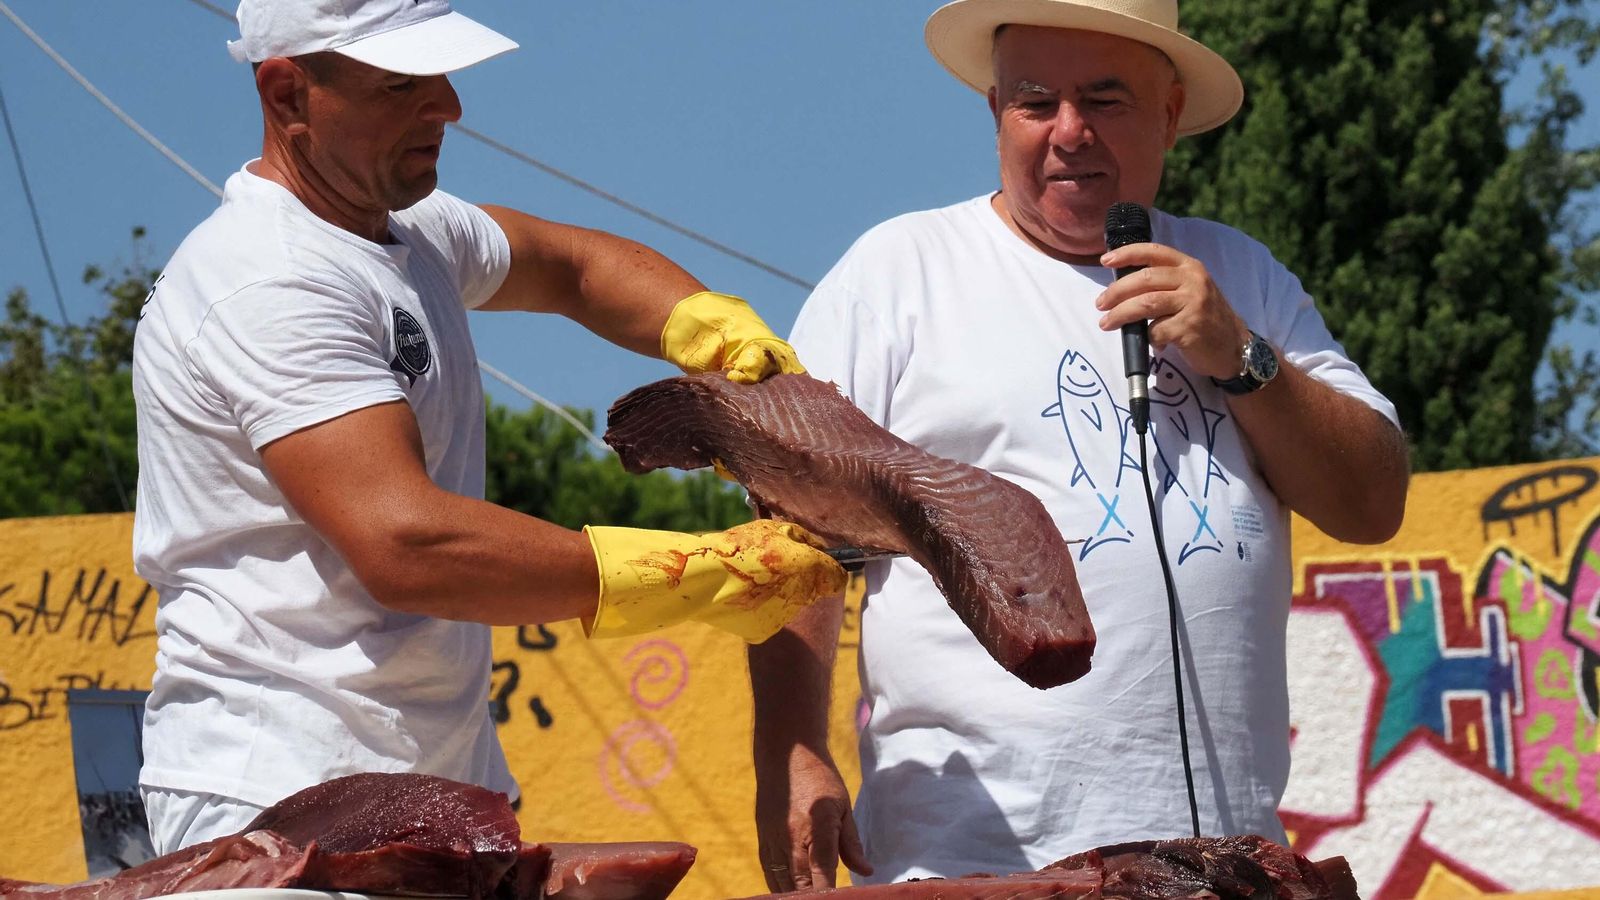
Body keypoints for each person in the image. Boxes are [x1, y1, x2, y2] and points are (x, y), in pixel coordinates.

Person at [131, 0, 845, 854]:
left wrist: (719, 335)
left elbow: (575, 266)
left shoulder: (406, 235)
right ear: (288, 94)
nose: (446, 106)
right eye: (401, 82)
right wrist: (696, 572)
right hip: (280, 799)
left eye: (441, 73)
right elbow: (407, 545)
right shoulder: (269, 282)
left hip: (428, 787)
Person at [748, 0, 1411, 889]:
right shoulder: (899, 273)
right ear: (994, 112)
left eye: (1104, 99)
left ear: (1170, 114)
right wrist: (792, 748)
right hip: (971, 863)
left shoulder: (1241, 275)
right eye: (1034, 102)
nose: (1068, 132)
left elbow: (1372, 502)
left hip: (1224, 870)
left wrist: (1239, 354)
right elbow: (786, 537)